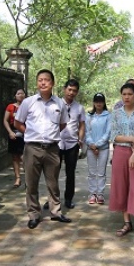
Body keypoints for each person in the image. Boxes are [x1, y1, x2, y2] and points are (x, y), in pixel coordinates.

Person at [14, 69, 71, 229]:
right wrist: (30, 133)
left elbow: (63, 123)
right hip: (32, 148)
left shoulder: (59, 103)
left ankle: (56, 212)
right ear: (37, 83)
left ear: (52, 83)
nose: (43, 82)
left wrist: (51, 136)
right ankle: (34, 214)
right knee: (31, 183)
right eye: (40, 80)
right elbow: (18, 122)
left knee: (53, 183)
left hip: (52, 149)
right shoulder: (28, 102)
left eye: (46, 80)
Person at [109, 82, 134, 240]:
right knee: (122, 188)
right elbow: (114, 135)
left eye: (130, 94)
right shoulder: (117, 113)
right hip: (119, 152)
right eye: (124, 94)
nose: (126, 97)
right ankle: (127, 222)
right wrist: (131, 138)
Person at [58, 78, 86, 209]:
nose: (71, 93)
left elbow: (81, 125)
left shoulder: (79, 108)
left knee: (70, 173)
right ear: (64, 89)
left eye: (74, 91)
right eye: (69, 89)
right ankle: (52, 199)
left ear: (77, 92)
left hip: (72, 144)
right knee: (52, 173)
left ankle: (68, 199)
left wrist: (80, 140)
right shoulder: (56, 104)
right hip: (56, 143)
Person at [84, 92, 110, 205]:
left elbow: (108, 132)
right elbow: (86, 132)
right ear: (94, 103)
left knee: (101, 172)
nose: (98, 103)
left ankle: (100, 194)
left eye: (101, 101)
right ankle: (92, 193)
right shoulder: (89, 116)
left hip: (103, 148)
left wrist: (98, 145)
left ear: (104, 102)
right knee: (91, 172)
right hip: (91, 148)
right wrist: (91, 144)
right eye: (96, 101)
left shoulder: (109, 116)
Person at [3, 88, 27, 188]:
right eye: (18, 93)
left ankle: (28, 178)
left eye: (22, 93)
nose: (20, 95)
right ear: (15, 96)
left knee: (25, 157)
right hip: (14, 133)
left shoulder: (28, 107)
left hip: (26, 133)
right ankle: (17, 178)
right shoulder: (11, 107)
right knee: (15, 157)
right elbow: (5, 120)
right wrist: (10, 132)